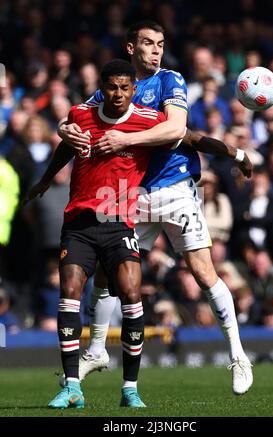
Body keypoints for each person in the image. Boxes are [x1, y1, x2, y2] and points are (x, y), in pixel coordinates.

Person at [42, 21, 253, 395]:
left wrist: (126, 137)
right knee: (106, 274)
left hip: (175, 188)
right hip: (130, 194)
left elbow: (176, 131)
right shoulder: (119, 85)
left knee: (203, 272)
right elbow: (78, 116)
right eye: (147, 44)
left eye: (160, 44)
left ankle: (238, 356)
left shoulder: (171, 80)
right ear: (130, 48)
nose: (155, 50)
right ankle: (96, 351)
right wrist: (63, 128)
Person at [25, 59, 176, 409]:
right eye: (112, 87)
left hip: (118, 223)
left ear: (133, 89)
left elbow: (180, 135)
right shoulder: (81, 115)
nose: (119, 94)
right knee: (70, 292)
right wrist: (46, 180)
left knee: (133, 293)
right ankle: (72, 387)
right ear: (102, 88)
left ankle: (130, 389)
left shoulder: (148, 121)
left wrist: (232, 151)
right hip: (79, 222)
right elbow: (66, 145)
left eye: (125, 87)